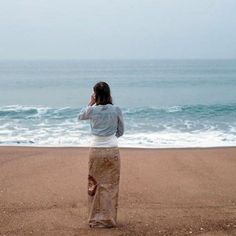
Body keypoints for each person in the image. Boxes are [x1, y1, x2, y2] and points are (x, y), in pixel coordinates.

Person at [78, 81, 124, 228]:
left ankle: (94, 220)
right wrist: (110, 137)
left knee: (94, 185)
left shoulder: (92, 110)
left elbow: (80, 116)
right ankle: (109, 220)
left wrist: (90, 103)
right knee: (111, 186)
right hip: (112, 150)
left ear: (95, 95)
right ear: (109, 94)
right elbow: (121, 131)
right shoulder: (116, 109)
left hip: (95, 151)